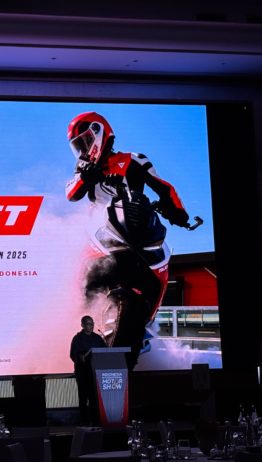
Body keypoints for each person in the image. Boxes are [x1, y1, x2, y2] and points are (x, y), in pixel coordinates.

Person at [65, 111, 191, 369]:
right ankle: (76, 310)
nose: (83, 149)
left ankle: (145, 319)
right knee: (74, 258)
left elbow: (163, 187)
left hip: (134, 224)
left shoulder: (134, 159)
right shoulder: (84, 167)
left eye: (85, 141)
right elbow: (72, 193)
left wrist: (179, 212)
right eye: (78, 146)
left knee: (160, 253)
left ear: (98, 132)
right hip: (100, 229)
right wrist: (86, 175)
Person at [70, 315, 107, 426]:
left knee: (94, 397)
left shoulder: (97, 338)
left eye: (92, 323)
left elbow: (105, 352)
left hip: (95, 373)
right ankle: (84, 422)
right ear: (82, 325)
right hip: (83, 373)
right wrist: (80, 357)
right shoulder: (77, 338)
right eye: (88, 324)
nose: (91, 326)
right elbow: (72, 354)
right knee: (83, 397)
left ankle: (95, 421)